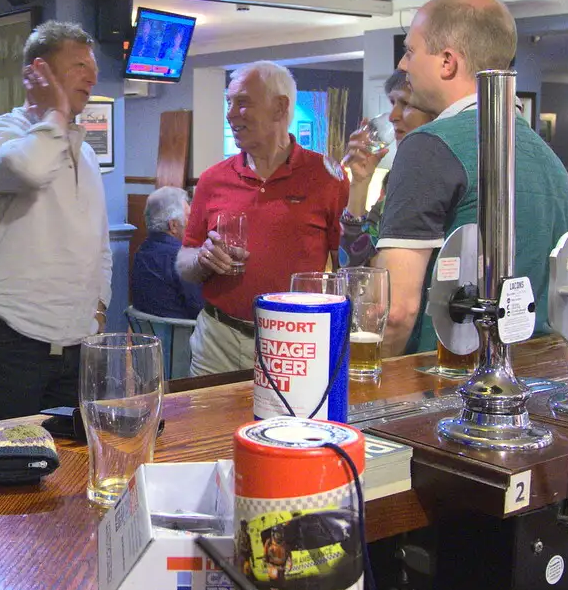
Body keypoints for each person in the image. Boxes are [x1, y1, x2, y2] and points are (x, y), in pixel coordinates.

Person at [375, 0, 568, 357]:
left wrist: (365, 396)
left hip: (443, 385)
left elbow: (395, 313)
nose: (403, 65)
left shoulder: (430, 146)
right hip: (529, 378)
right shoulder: (550, 159)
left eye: (410, 51)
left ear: (447, 62)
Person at [0, 21, 111, 420]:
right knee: (1, 468)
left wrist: (99, 309)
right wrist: (56, 112)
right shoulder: (1, 133)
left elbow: (100, 243)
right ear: (38, 72)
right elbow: (31, 170)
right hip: (7, 342)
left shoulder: (85, 153)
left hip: (74, 346)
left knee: (66, 469)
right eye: (78, 65)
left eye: (92, 67)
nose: (92, 76)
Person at [176, 61, 349, 375]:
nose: (230, 114)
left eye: (243, 103)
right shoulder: (213, 179)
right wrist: (202, 258)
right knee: (209, 426)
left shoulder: (327, 177)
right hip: (219, 340)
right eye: (230, 103)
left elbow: (346, 266)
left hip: (295, 341)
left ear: (280, 107)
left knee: (289, 424)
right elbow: (185, 258)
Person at [339, 71, 438, 268]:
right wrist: (360, 183)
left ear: (435, 112)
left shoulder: (440, 179)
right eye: (393, 103)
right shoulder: (396, 179)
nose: (393, 116)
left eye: (406, 104)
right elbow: (351, 265)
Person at [130, 186, 204, 321]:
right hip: (181, 337)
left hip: (149, 336)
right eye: (189, 216)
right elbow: (199, 309)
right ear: (173, 225)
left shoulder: (140, 252)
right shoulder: (181, 258)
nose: (193, 222)